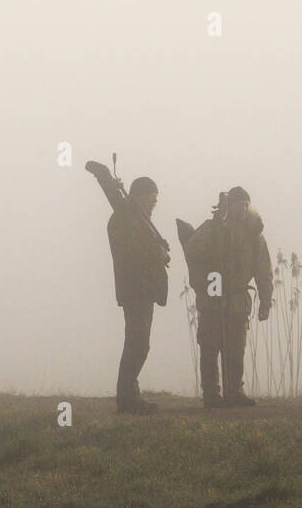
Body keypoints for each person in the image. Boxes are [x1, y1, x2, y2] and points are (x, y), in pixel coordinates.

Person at [185, 187, 273, 407]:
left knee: (236, 348)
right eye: (238, 203)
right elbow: (193, 250)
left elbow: (264, 270)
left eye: (246, 204)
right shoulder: (212, 228)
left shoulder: (254, 234)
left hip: (238, 297)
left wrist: (265, 300)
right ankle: (212, 395)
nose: (243, 208)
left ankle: (235, 391)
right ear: (229, 205)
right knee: (210, 345)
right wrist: (213, 247)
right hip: (213, 295)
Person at [106, 176, 170, 414]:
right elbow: (132, 251)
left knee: (137, 342)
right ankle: (127, 399)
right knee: (138, 343)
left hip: (140, 288)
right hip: (136, 288)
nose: (154, 201)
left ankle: (129, 396)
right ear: (140, 195)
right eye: (151, 196)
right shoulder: (126, 219)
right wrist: (159, 253)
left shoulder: (132, 219)